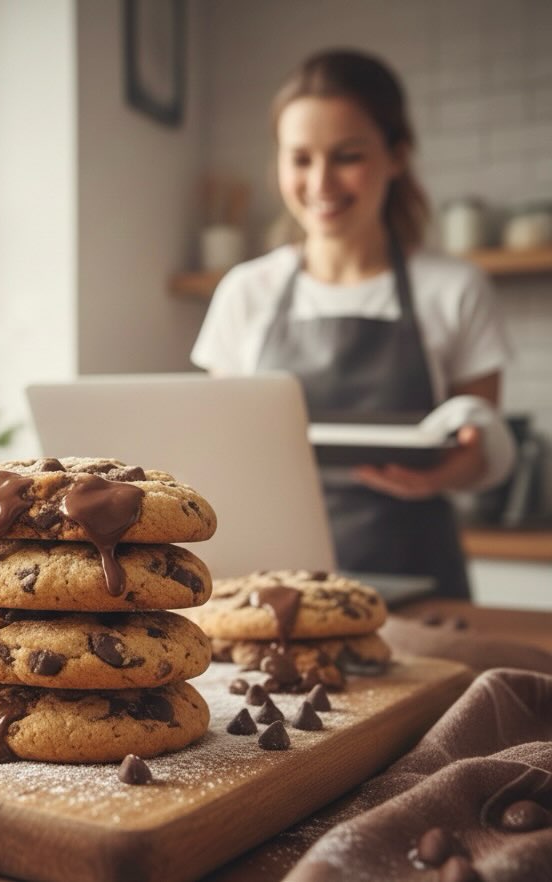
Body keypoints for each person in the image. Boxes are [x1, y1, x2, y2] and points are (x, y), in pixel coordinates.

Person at [190, 49, 514, 599]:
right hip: (273, 584)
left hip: (419, 578)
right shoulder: (246, 292)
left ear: (397, 155)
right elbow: (231, 451)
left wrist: (443, 473)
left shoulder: (455, 288)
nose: (321, 181)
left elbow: (483, 448)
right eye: (300, 158)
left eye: (347, 156)